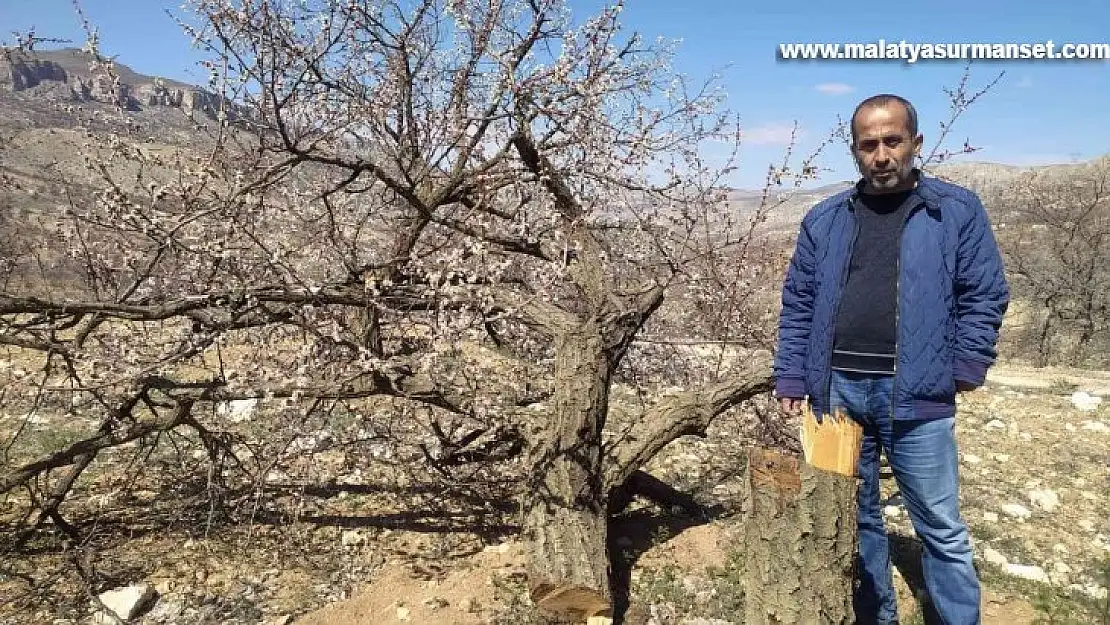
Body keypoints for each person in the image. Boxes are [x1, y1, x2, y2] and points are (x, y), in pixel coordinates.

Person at [772, 93, 1009, 625]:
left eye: (892, 141)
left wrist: (967, 365)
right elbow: (800, 301)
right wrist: (791, 373)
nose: (881, 154)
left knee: (940, 526)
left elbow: (984, 293)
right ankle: (875, 616)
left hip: (917, 395)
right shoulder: (824, 219)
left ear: (915, 144)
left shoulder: (955, 210)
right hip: (837, 394)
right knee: (856, 520)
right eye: (869, 144)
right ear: (855, 151)